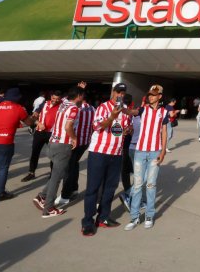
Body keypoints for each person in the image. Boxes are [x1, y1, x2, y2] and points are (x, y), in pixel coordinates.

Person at [81, 83, 132, 236]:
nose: (120, 95)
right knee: (93, 188)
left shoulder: (125, 110)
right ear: (112, 92)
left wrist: (128, 130)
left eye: (123, 93)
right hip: (99, 153)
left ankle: (103, 218)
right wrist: (112, 117)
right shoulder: (103, 107)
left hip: (116, 153)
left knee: (110, 187)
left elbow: (128, 128)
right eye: (118, 92)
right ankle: (88, 222)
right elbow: (97, 126)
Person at [35, 85, 85, 217]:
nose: (83, 98)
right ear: (79, 96)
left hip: (53, 142)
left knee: (57, 174)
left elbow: (63, 98)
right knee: (57, 177)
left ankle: (42, 196)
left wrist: (77, 88)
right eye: (82, 95)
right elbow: (68, 126)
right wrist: (74, 138)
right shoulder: (73, 108)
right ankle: (48, 208)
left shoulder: (63, 104)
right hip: (63, 145)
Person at [123, 85, 168, 230]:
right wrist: (122, 108)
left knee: (151, 185)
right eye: (149, 94)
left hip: (155, 152)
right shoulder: (143, 110)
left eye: (154, 95)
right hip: (140, 152)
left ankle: (149, 215)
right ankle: (134, 217)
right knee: (137, 185)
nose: (151, 97)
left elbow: (164, 132)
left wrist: (163, 152)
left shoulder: (164, 112)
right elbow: (131, 111)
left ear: (160, 96)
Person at [60, 94, 94, 204]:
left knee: (69, 168)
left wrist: (78, 90)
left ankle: (65, 195)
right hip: (85, 142)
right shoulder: (93, 108)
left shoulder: (76, 108)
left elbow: (63, 101)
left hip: (75, 141)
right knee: (74, 164)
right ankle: (74, 190)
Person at [23, 91, 60, 182]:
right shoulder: (43, 104)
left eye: (57, 99)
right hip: (39, 132)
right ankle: (31, 173)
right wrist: (38, 123)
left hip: (52, 133)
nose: (55, 100)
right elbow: (33, 117)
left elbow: (72, 98)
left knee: (53, 155)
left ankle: (53, 174)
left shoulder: (62, 105)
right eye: (53, 98)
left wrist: (79, 89)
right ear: (51, 97)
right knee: (35, 153)